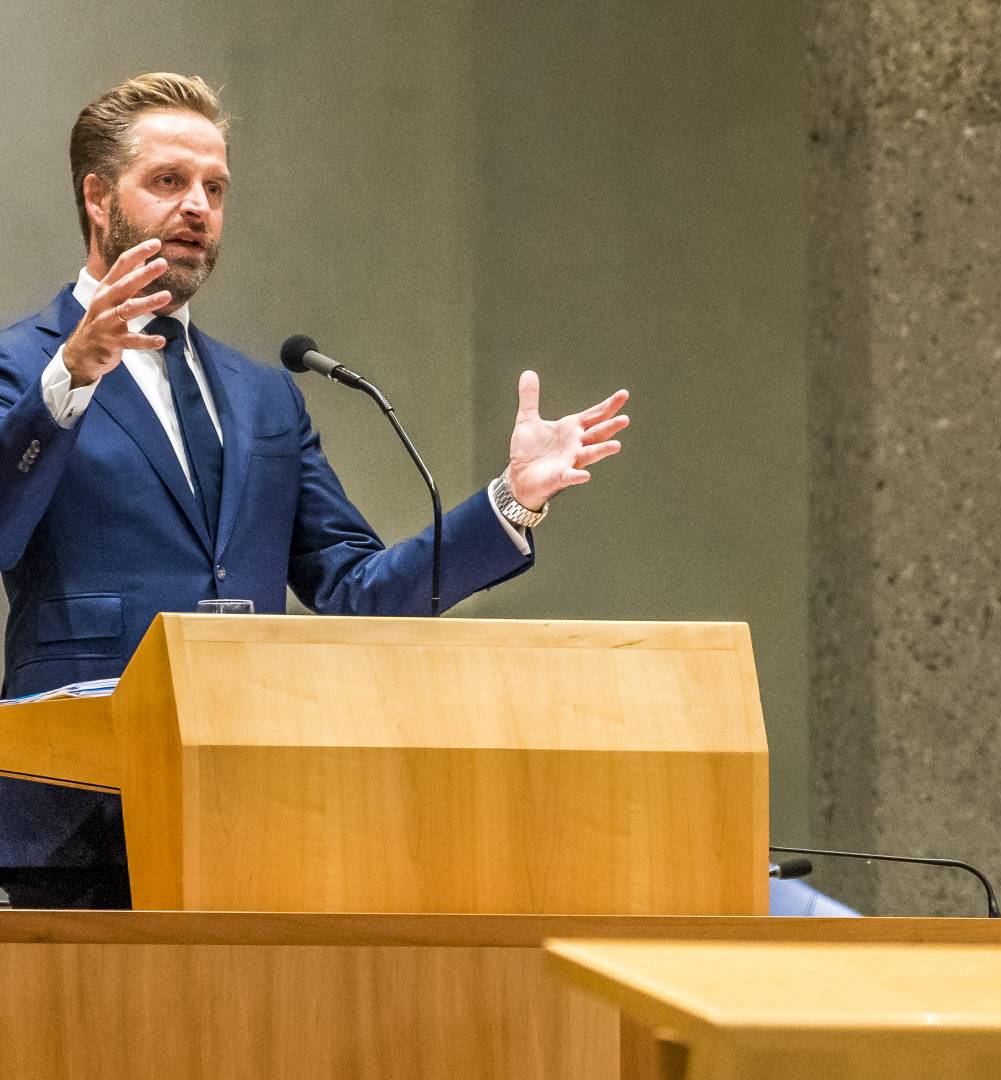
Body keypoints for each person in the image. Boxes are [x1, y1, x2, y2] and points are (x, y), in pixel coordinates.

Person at [0, 73, 629, 908]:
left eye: (215, 188)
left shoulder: (265, 397)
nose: (197, 207)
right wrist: (69, 381)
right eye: (169, 181)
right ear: (96, 196)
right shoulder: (23, 366)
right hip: (75, 821)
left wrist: (509, 501)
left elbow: (354, 592)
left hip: (256, 801)